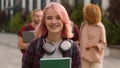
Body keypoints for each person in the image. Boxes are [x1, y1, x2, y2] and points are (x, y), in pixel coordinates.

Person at [22, 2, 81, 68]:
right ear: (44, 22)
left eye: (58, 18)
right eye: (49, 18)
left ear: (64, 21)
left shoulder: (74, 49)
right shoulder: (33, 47)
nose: (54, 22)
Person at [79, 4, 107, 68]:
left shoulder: (100, 27)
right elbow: (80, 40)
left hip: (96, 59)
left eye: (86, 13)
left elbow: (103, 44)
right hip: (83, 58)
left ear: (91, 14)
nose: (84, 15)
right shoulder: (83, 25)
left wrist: (94, 45)